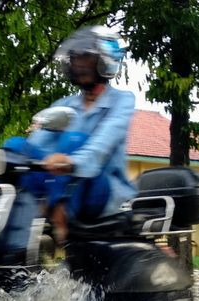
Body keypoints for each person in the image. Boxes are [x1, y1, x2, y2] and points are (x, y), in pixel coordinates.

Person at [15, 26, 138, 243]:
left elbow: (102, 145)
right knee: (15, 145)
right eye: (75, 58)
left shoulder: (123, 100)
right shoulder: (64, 105)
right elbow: (37, 144)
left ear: (105, 60)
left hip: (102, 190)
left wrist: (69, 161)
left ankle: (57, 212)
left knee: (75, 140)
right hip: (62, 186)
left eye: (86, 58)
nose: (79, 64)